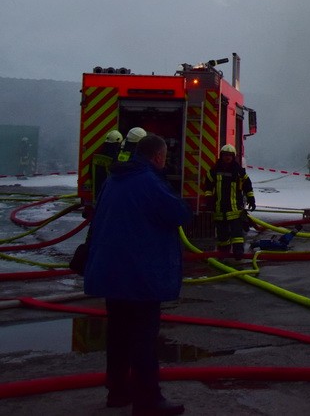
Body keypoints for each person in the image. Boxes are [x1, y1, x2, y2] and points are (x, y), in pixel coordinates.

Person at [83, 133, 191, 416]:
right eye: (164, 157)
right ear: (158, 156)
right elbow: (178, 213)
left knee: (118, 335)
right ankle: (148, 400)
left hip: (112, 272)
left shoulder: (114, 179)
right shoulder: (149, 182)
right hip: (140, 275)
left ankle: (117, 392)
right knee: (143, 338)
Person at [203, 144, 255, 258]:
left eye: (229, 156)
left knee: (237, 234)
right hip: (220, 209)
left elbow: (247, 185)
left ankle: (238, 253)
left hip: (235, 209)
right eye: (225, 155)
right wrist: (209, 200)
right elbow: (207, 186)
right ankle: (223, 253)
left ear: (233, 157)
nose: (227, 158)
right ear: (221, 156)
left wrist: (251, 198)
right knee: (222, 235)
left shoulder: (238, 171)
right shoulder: (214, 171)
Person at [85, 130, 123, 218]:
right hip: (111, 200)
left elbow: (90, 175)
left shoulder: (95, 157)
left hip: (97, 198)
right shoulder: (115, 159)